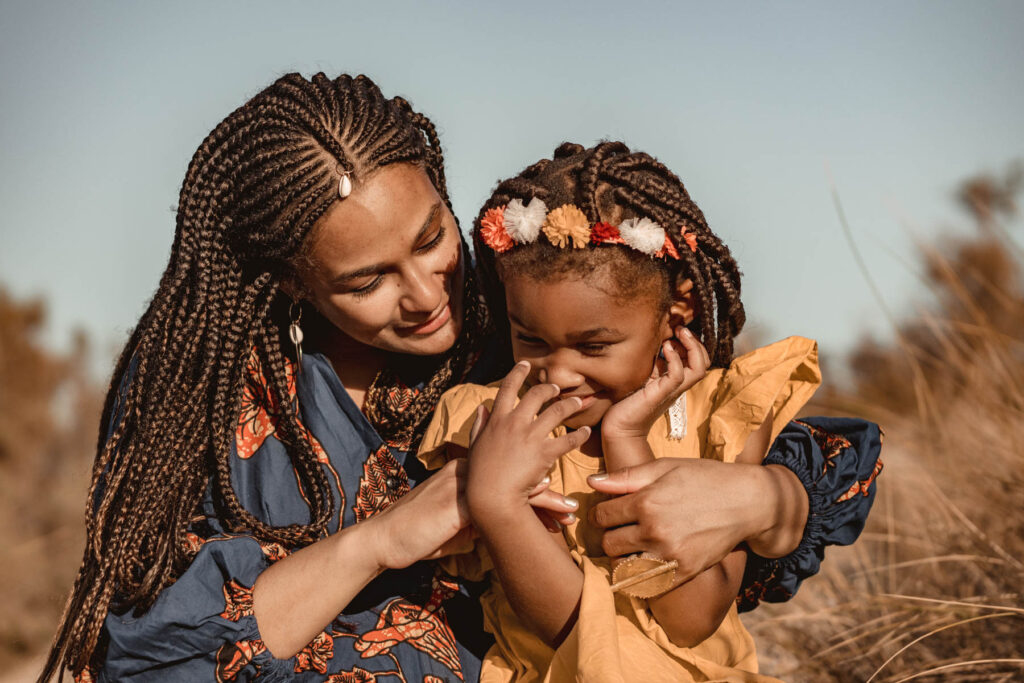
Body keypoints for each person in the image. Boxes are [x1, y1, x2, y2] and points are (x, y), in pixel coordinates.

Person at [40, 75, 881, 683]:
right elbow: (150, 653)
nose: (424, 294)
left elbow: (768, 462)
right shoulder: (209, 390)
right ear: (296, 280)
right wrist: (383, 538)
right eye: (368, 280)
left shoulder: (518, 331)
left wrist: (762, 499)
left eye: (431, 236)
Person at [417, 141, 883, 681]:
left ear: (677, 311)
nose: (558, 373)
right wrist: (499, 505)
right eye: (532, 339)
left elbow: (691, 619)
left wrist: (626, 440)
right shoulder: (494, 422)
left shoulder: (722, 416)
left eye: (594, 346)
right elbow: (562, 626)